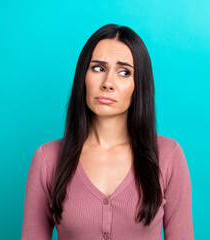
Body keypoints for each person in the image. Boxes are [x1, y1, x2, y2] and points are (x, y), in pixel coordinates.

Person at [21, 23, 194, 240]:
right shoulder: (48, 159)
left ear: (138, 85)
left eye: (124, 72)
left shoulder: (169, 156)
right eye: (98, 68)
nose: (108, 83)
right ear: (83, 77)